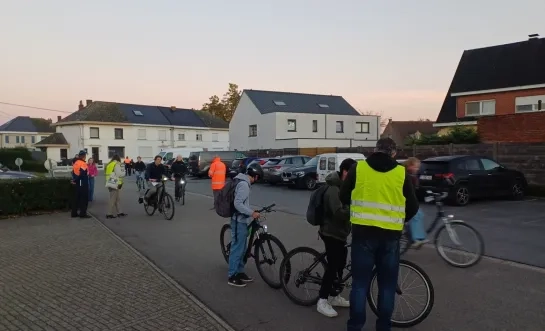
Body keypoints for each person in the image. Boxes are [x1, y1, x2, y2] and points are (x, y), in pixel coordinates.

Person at [340, 138, 418, 331]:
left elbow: (343, 195)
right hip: (390, 237)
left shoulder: (358, 169)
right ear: (393, 153)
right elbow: (413, 206)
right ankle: (383, 327)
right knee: (387, 286)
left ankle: (355, 326)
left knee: (359, 284)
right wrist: (398, 219)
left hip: (362, 235)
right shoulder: (401, 173)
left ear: (374, 150)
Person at [316, 158, 357, 318]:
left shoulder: (345, 187)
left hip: (340, 233)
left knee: (341, 263)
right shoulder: (334, 189)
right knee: (333, 266)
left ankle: (334, 296)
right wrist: (354, 210)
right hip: (330, 232)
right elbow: (339, 213)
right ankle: (322, 300)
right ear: (345, 172)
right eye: (353, 174)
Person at [228, 164, 264, 287]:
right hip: (239, 220)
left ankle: (240, 272)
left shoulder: (242, 181)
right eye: (258, 178)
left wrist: (250, 210)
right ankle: (232, 276)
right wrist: (251, 213)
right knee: (238, 248)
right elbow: (237, 203)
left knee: (242, 248)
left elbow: (242, 202)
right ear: (256, 176)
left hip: (241, 219)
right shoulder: (244, 185)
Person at [403, 157, 428, 247]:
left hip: (407, 201)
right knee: (416, 214)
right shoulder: (406, 175)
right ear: (409, 166)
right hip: (403, 202)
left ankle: (415, 236)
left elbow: (417, 189)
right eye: (415, 167)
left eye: (418, 167)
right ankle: (416, 239)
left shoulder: (412, 176)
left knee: (419, 214)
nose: (417, 169)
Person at [104, 154, 127, 219]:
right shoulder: (117, 164)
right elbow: (120, 174)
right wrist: (124, 172)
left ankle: (120, 212)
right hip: (116, 183)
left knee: (117, 198)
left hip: (110, 182)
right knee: (113, 199)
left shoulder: (109, 164)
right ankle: (109, 213)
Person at [71, 150, 91, 218]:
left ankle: (74, 213)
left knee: (77, 198)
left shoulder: (76, 163)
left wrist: (74, 180)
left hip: (77, 183)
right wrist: (78, 180)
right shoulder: (83, 164)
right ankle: (83, 213)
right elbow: (82, 174)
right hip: (82, 182)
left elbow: (73, 172)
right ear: (84, 156)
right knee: (84, 198)